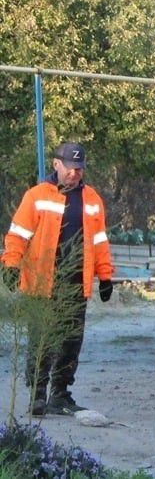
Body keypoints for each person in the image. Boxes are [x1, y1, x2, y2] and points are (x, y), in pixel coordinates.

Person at [1, 142, 115, 416]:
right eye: (70, 168)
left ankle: (60, 394)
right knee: (43, 340)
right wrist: (11, 264)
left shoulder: (92, 199)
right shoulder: (36, 196)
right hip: (42, 284)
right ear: (56, 164)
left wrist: (106, 275)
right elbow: (18, 234)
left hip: (76, 283)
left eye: (79, 169)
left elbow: (99, 241)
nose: (74, 174)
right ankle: (38, 396)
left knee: (71, 342)